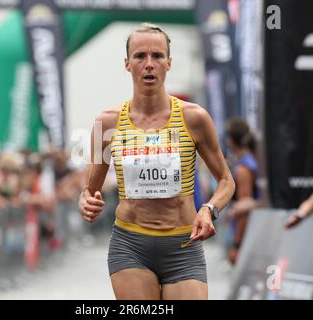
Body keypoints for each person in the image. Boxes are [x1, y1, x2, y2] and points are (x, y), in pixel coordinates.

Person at [78, 23, 235, 300]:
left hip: (183, 246)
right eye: (140, 56)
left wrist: (209, 209)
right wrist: (86, 201)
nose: (149, 64)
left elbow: (226, 180)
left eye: (157, 56)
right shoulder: (107, 123)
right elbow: (90, 189)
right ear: (127, 64)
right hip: (130, 245)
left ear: (169, 63)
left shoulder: (194, 118)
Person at [224, 117, 260, 265]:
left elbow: (244, 209)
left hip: (245, 233)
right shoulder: (250, 161)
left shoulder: (243, 169)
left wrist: (237, 245)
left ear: (231, 141)